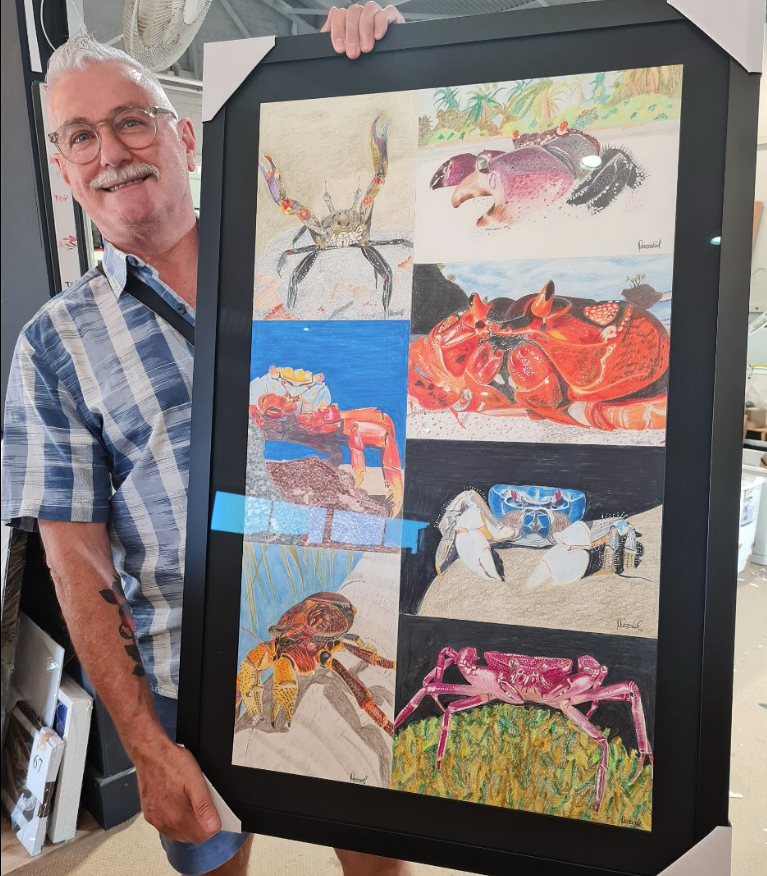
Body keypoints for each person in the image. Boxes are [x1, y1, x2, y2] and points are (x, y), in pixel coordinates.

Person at [1, 6, 410, 876]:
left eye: (130, 119)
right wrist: (143, 744)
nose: (110, 152)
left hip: (353, 611)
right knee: (212, 865)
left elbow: (413, 215)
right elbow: (76, 561)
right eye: (80, 136)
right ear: (62, 166)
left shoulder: (305, 276)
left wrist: (380, 61)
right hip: (185, 677)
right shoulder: (52, 344)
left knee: (376, 859)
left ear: (181, 134)